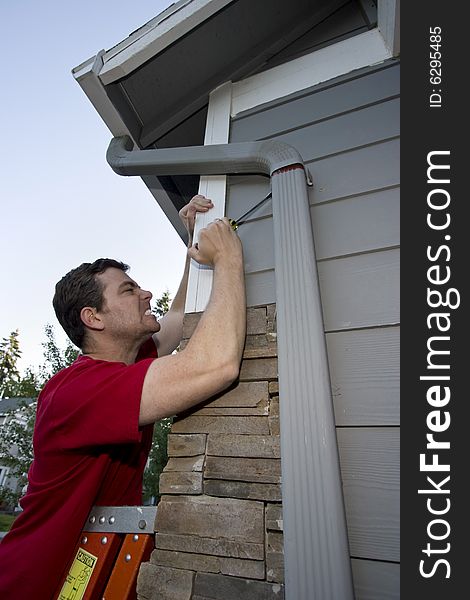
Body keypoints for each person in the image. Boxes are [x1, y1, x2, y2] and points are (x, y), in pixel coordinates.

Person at [0, 195, 246, 599]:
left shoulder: (128, 367)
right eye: (129, 290)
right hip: (33, 583)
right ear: (92, 318)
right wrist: (229, 258)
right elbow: (216, 364)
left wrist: (195, 241)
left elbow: (180, 318)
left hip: (94, 572)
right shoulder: (77, 391)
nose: (147, 293)